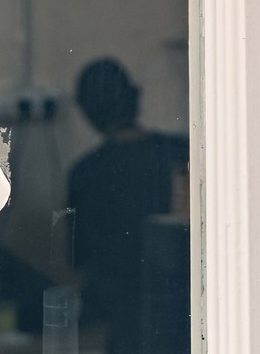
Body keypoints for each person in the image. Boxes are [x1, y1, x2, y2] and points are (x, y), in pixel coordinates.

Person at [66, 59, 188, 354]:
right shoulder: (180, 152)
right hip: (187, 311)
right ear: (134, 95)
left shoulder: (85, 173)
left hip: (122, 324)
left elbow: (76, 257)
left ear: (86, 111)